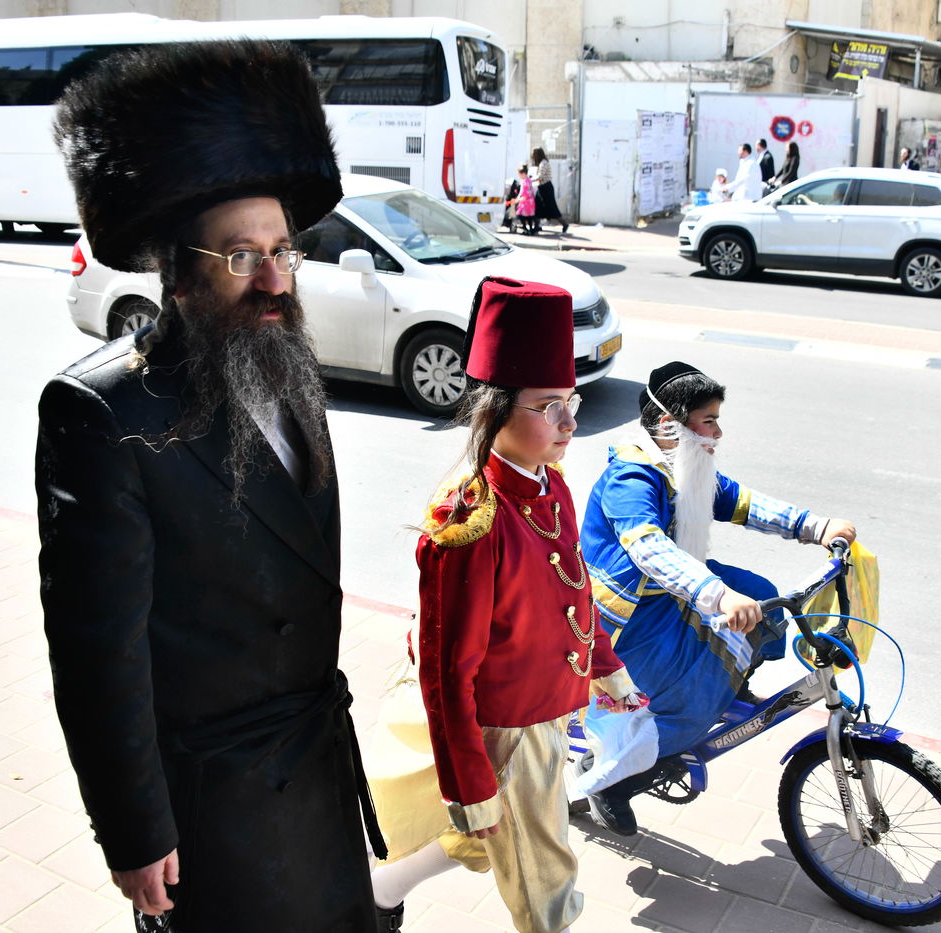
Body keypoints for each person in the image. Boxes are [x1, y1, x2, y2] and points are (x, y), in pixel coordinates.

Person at [38, 39, 382, 932]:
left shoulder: (286, 360)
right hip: (215, 803)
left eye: (284, 250)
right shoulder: (101, 412)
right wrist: (133, 829)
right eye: (241, 256)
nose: (274, 278)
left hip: (314, 765)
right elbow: (96, 652)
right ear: (181, 272)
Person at [367, 277, 644, 933]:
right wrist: (470, 782)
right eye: (550, 406)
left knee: (489, 836)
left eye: (572, 402)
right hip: (504, 730)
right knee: (546, 880)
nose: (571, 423)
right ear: (494, 410)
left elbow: (572, 591)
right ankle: (375, 892)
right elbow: (445, 669)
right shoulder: (471, 519)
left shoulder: (551, 486)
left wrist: (608, 671)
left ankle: (374, 894)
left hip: (545, 710)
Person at [574, 362, 856, 836]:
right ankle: (615, 782)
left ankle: (733, 678)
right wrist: (717, 594)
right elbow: (646, 546)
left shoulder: (684, 466)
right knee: (689, 701)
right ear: (670, 426)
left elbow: (740, 501)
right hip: (628, 614)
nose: (718, 431)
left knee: (765, 598)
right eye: (709, 421)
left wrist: (816, 526)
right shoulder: (633, 477)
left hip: (677, 589)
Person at [531, 147, 568, 234]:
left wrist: (530, 180)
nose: (532, 156)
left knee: (552, 208)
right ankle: (536, 226)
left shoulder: (543, 163)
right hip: (542, 188)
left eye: (533, 154)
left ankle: (564, 224)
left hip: (546, 188)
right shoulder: (541, 163)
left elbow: (541, 176)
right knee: (538, 207)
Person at [512, 164, 538, 235]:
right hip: (530, 201)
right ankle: (530, 229)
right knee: (529, 217)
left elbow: (524, 193)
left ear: (523, 173)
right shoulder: (529, 180)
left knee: (520, 215)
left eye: (519, 174)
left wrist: (518, 200)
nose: (519, 176)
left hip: (525, 202)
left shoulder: (524, 182)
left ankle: (525, 228)